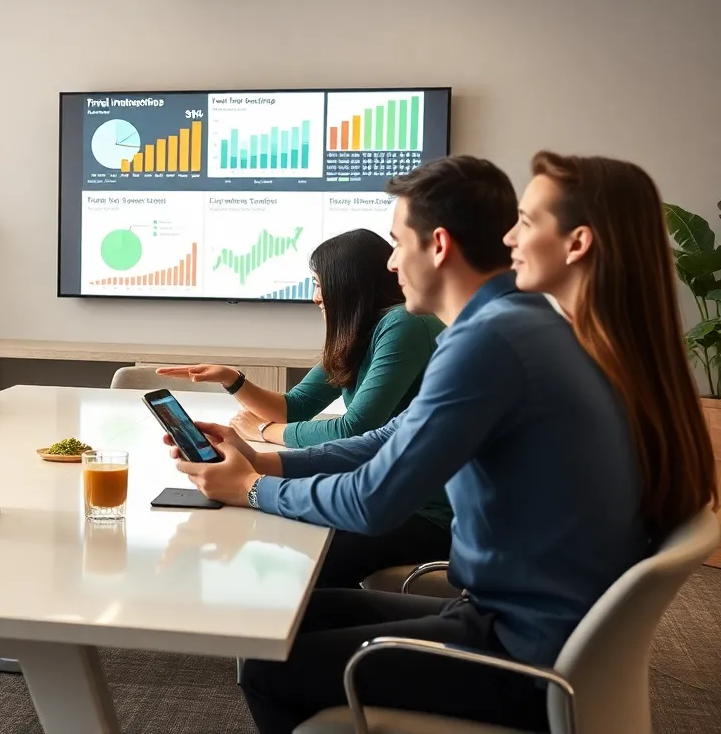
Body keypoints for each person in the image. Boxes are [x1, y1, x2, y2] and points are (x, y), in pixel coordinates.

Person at [166, 155, 712, 733]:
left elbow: (372, 503)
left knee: (270, 666)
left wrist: (252, 490)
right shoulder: (527, 326)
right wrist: (265, 459)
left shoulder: (495, 338)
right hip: (530, 623)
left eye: (398, 242)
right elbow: (393, 437)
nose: (393, 260)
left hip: (516, 650)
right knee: (289, 617)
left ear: (440, 246)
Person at [158, 229, 450, 587]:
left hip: (426, 511)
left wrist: (263, 436)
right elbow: (295, 406)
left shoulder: (404, 323)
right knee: (289, 539)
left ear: (348, 282)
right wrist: (233, 380)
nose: (315, 297)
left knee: (307, 558)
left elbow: (353, 429)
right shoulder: (359, 331)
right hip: (387, 485)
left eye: (318, 282)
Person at [504, 149, 716, 545]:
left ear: (578, 243)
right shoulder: (637, 370)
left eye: (526, 222)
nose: (509, 237)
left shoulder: (564, 379)